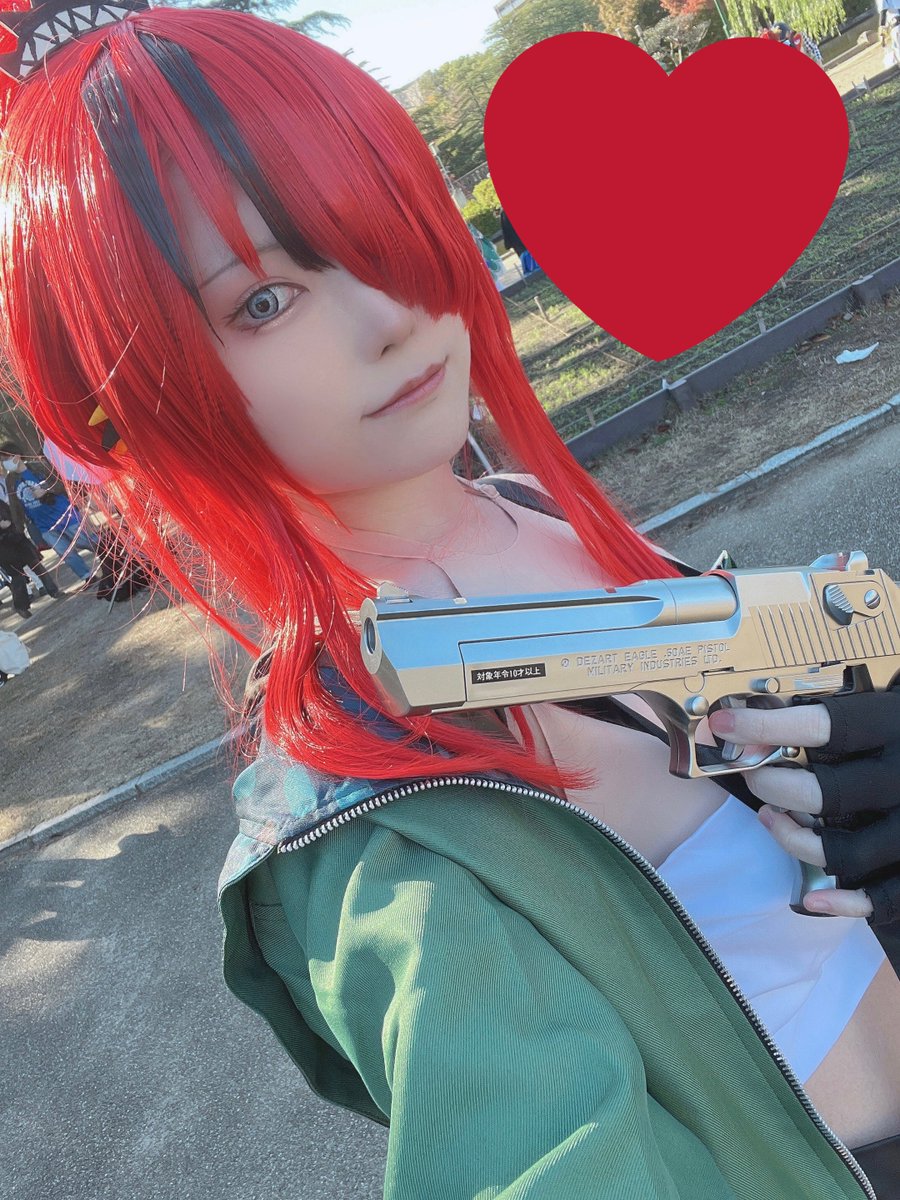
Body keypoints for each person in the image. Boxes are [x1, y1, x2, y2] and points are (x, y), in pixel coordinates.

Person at [0, 7, 897, 1196]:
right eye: (262, 301)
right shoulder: (366, 797)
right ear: (139, 395)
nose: (393, 313)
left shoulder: (517, 502)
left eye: (371, 221)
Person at [0, 442, 96, 583]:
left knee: (86, 541)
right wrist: (19, 528)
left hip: (64, 515)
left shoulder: (38, 466)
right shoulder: (11, 479)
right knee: (65, 553)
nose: (4, 463)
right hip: (44, 525)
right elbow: (15, 505)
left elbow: (61, 483)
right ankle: (87, 576)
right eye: (2, 460)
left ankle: (113, 555)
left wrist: (46, 490)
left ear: (17, 456)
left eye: (6, 459)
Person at [0, 498, 63, 618]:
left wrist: (16, 525)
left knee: (37, 566)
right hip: (5, 549)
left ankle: (53, 591)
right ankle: (21, 606)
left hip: (19, 540)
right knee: (17, 577)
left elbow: (15, 512)